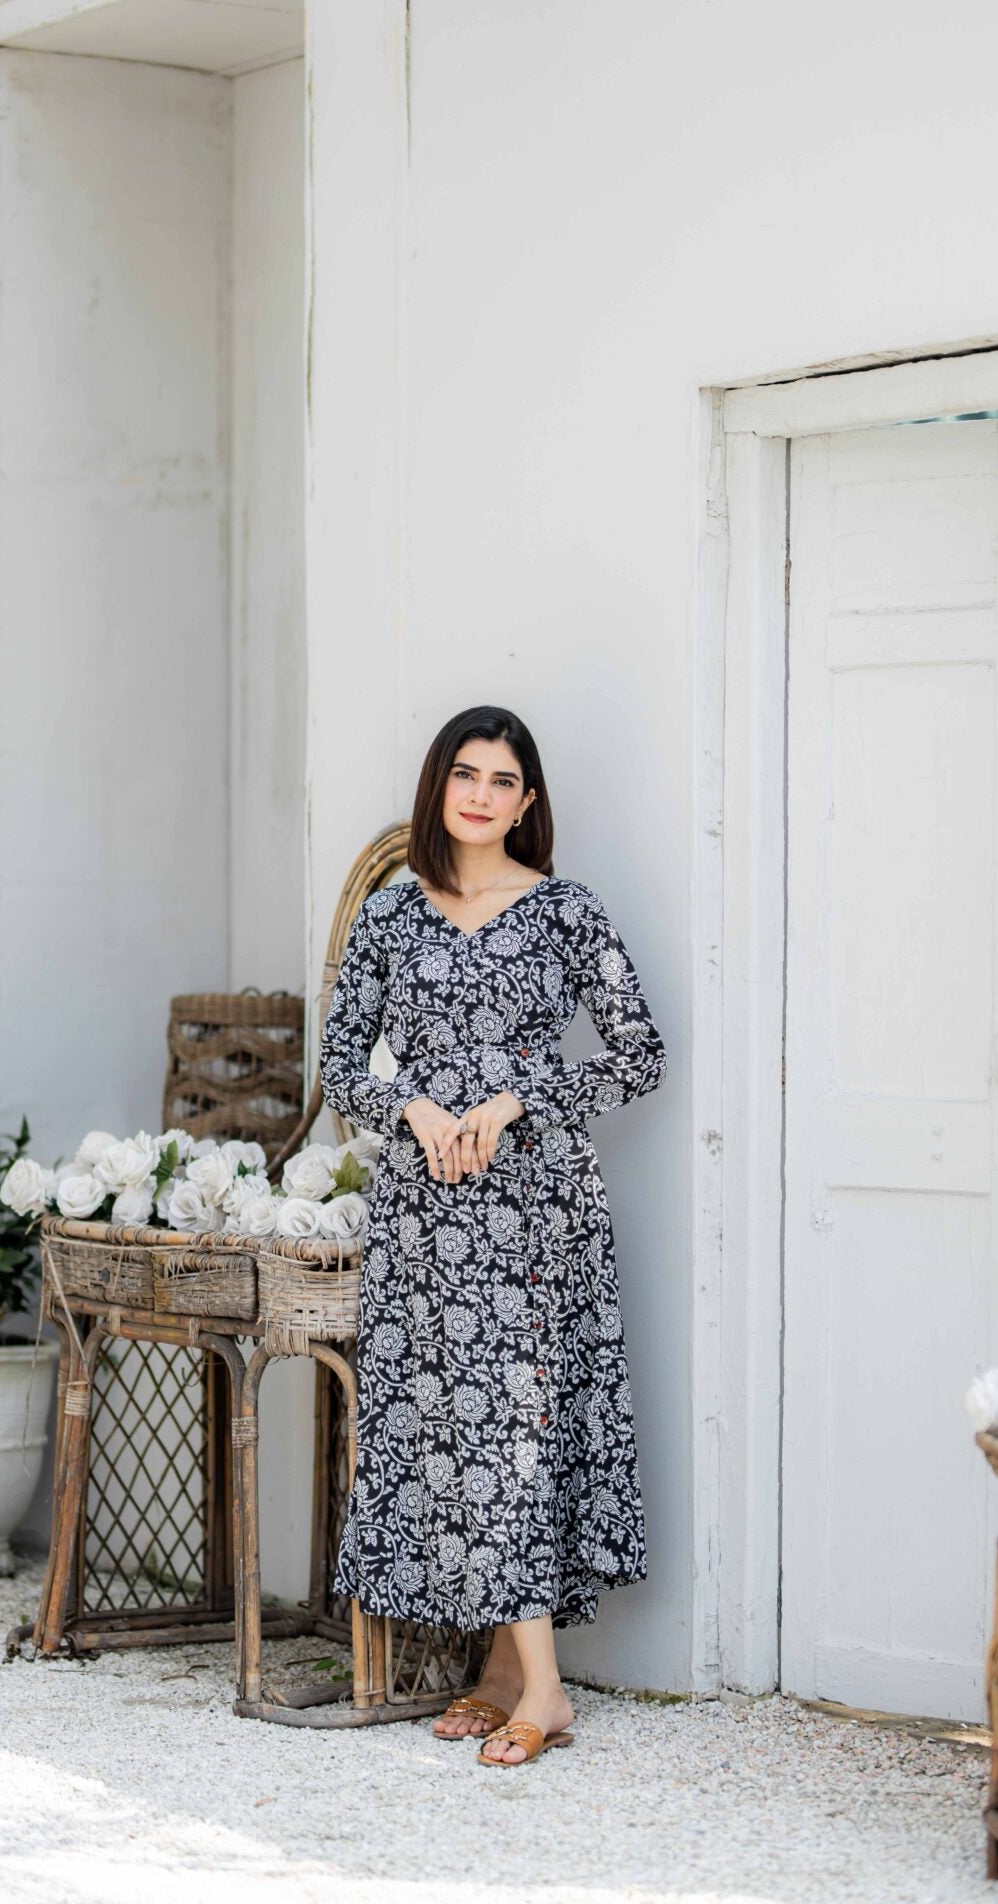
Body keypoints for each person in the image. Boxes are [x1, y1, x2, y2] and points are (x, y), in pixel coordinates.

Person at [319, 703, 667, 1767]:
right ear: (438, 786)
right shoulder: (390, 914)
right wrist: (413, 1108)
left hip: (537, 1214)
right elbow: (341, 1062)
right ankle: (504, 1674)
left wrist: (517, 1100)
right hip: (426, 1215)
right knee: (454, 1436)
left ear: (526, 802)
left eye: (501, 780)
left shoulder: (566, 912)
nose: (479, 794)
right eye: (463, 774)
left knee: (516, 1433)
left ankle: (544, 1691)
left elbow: (638, 1053)